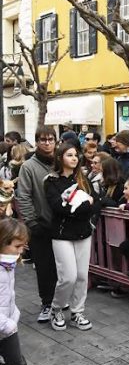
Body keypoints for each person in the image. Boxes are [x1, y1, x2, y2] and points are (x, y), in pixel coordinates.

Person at [44, 143, 100, 331]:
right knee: (68, 276)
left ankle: (77, 311)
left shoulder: (83, 178)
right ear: (60, 157)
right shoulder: (51, 181)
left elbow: (97, 202)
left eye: (76, 155)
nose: (74, 158)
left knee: (82, 275)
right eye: (69, 155)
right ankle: (56, 308)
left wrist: (82, 208)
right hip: (61, 235)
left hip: (83, 233)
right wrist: (85, 207)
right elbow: (58, 208)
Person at [16, 126, 58, 323]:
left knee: (64, 268)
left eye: (50, 139)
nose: (47, 143)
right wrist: (32, 222)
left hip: (64, 225)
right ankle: (47, 302)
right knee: (44, 267)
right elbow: (23, 196)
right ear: (37, 142)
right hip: (41, 225)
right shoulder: (28, 167)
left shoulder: (61, 161)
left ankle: (62, 301)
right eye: (43, 140)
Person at [0, 218, 29, 365]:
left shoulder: (8, 264)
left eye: (22, 246)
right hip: (5, 325)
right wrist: (7, 324)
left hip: (6, 327)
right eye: (17, 246)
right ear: (3, 242)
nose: (20, 251)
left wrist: (13, 313)